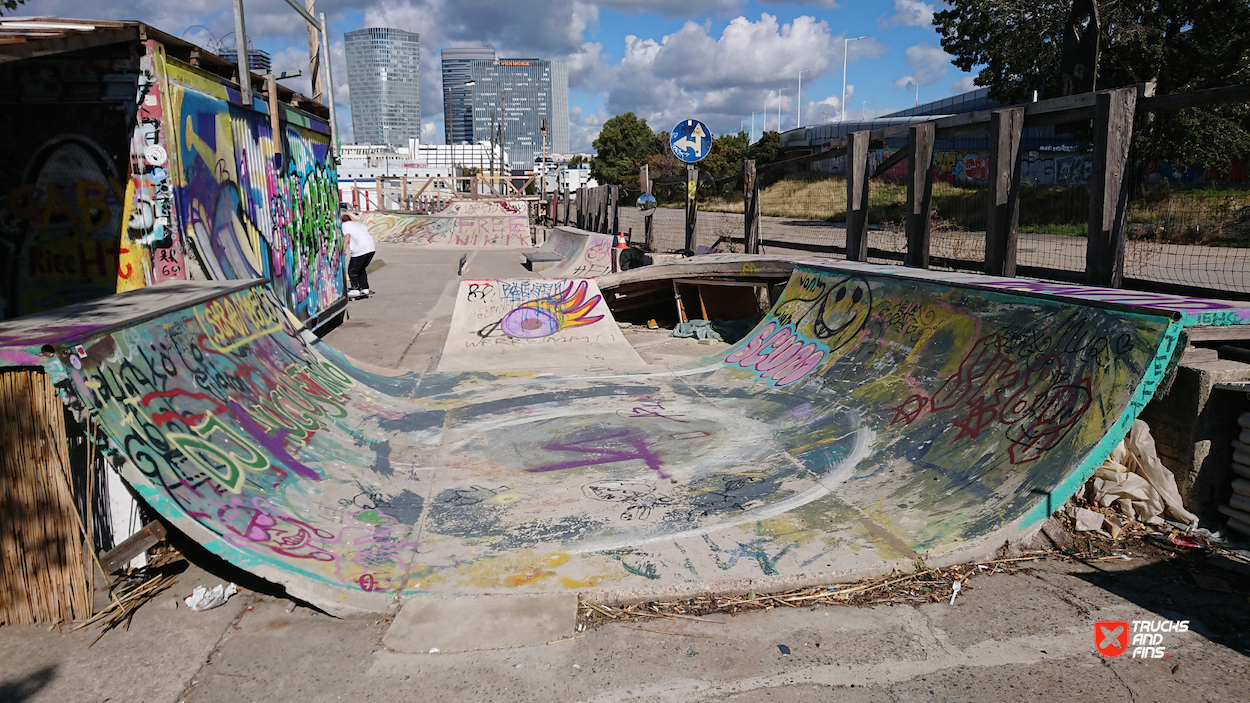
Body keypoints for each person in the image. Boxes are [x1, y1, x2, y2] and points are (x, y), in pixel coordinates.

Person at [341, 213, 376, 298]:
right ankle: (364, 288)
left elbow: (347, 235)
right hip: (371, 248)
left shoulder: (344, 225)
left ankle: (355, 289)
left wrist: (343, 248)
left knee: (352, 270)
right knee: (360, 269)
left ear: (342, 221)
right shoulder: (358, 224)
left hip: (361, 249)